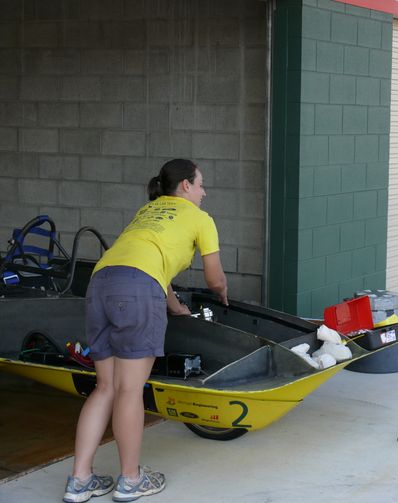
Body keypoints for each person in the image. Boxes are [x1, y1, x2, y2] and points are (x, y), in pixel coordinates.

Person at [63, 159, 228, 503]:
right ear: (185, 185)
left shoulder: (147, 211)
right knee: (129, 389)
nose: (204, 192)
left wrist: (175, 307)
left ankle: (80, 480)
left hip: (100, 283)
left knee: (105, 387)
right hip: (137, 292)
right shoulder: (200, 218)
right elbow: (213, 278)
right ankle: (131, 480)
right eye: (200, 185)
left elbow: (147, 265)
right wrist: (222, 292)